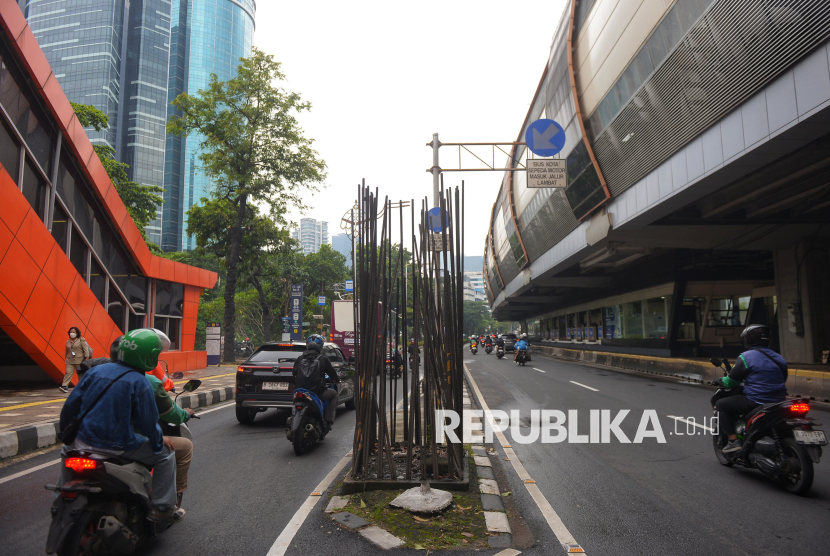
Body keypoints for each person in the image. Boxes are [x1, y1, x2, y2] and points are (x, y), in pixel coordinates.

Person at [59, 329, 184, 522]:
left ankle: (60, 496)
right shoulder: (140, 382)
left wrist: (66, 434)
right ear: (150, 356)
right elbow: (148, 424)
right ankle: (162, 506)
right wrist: (160, 441)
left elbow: (69, 408)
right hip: (119, 446)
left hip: (82, 441)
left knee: (66, 451)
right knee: (166, 455)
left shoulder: (94, 372)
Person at [713, 324, 788, 453]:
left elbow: (732, 382)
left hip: (757, 400)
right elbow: (783, 377)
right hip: (779, 400)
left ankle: (733, 441)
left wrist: (720, 380)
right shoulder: (779, 357)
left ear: (749, 340)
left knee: (721, 405)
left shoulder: (746, 357)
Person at [293, 335, 340, 427]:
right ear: (320, 346)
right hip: (317, 393)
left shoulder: (299, 359)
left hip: (300, 391)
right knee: (334, 394)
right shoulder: (323, 359)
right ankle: (328, 421)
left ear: (307, 345)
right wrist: (336, 380)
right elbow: (332, 373)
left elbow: (294, 372)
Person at [61, 327, 90, 393]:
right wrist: (65, 357)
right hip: (70, 360)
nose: (72, 333)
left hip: (79, 360)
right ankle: (64, 386)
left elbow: (86, 350)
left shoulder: (81, 340)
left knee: (80, 374)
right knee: (68, 372)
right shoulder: (68, 341)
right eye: (71, 332)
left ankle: (82, 386)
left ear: (77, 333)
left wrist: (86, 358)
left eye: (73, 332)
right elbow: (66, 351)